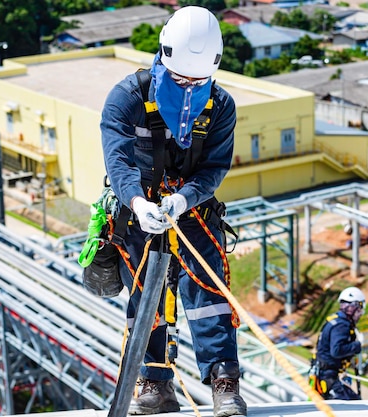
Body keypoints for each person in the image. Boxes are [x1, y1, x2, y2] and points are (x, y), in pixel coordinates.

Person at [99, 6, 246, 417]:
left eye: (198, 81)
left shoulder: (218, 106)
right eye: (181, 79)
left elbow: (215, 166)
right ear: (164, 58)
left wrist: (184, 200)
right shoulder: (127, 98)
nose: (188, 88)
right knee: (148, 295)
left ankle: (224, 383)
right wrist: (138, 202)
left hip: (194, 212)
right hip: (140, 212)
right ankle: (156, 384)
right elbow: (119, 160)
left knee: (208, 294)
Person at [313, 287, 365, 400]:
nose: (360, 314)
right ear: (353, 307)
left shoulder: (336, 320)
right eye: (359, 309)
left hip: (325, 373)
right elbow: (337, 351)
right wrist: (357, 345)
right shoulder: (342, 325)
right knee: (354, 406)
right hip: (328, 376)